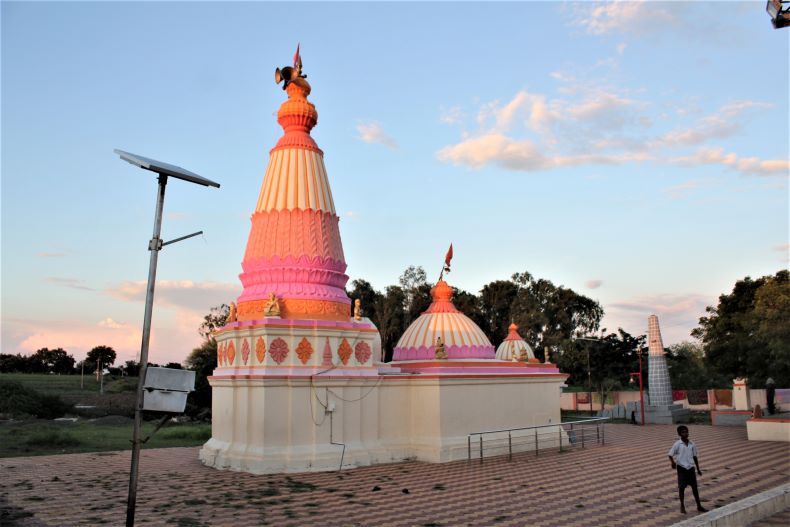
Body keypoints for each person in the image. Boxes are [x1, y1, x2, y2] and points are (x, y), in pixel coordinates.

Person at [668, 425, 708, 514]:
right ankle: (682, 505)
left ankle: (699, 505)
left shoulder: (692, 444)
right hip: (682, 468)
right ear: (679, 434)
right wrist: (672, 462)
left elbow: (695, 456)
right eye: (683, 432)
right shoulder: (677, 444)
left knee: (695, 488)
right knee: (682, 488)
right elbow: (670, 454)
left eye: (686, 431)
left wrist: (698, 469)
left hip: (691, 468)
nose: (685, 433)